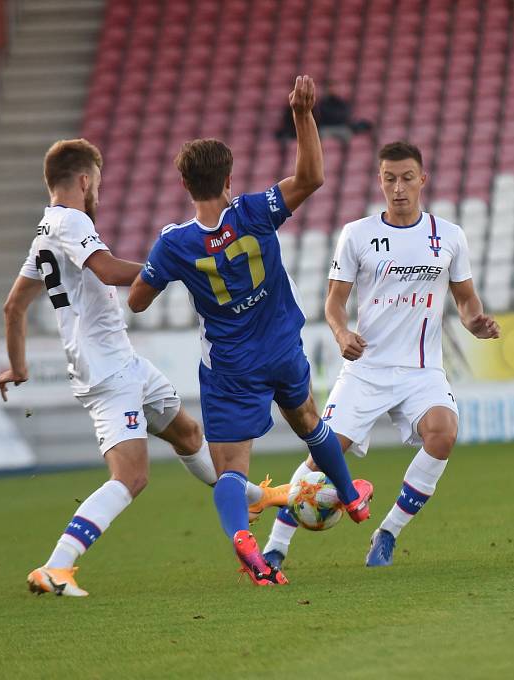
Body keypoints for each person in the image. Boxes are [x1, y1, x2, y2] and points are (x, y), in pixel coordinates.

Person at [0, 138, 279, 598]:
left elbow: (13, 307)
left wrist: (19, 367)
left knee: (187, 435)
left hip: (125, 363)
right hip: (107, 372)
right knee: (131, 476)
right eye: (98, 182)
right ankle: (56, 566)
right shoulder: (72, 221)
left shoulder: (44, 231)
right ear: (85, 180)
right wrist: (177, 265)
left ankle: (256, 496)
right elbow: (106, 270)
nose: (99, 191)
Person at [127, 76, 373, 586]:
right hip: (281, 345)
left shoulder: (173, 244)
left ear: (185, 186)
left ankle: (245, 542)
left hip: (231, 364)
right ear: (228, 179)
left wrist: (166, 267)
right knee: (308, 419)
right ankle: (350, 498)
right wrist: (303, 114)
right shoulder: (253, 212)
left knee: (231, 468)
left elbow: (137, 300)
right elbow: (311, 177)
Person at [260, 141, 500, 569]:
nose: (399, 187)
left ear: (422, 179)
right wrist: (339, 332)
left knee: (443, 433)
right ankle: (275, 546)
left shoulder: (448, 236)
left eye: (407, 178)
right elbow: (334, 303)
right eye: (390, 178)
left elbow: (466, 302)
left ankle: (387, 531)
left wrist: (475, 322)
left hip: (421, 369)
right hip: (366, 369)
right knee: (321, 459)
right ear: (380, 181)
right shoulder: (357, 233)